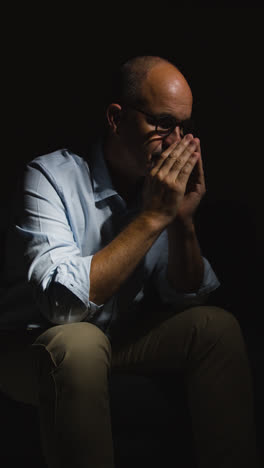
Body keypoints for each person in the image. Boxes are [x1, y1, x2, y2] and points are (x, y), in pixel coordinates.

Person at [0, 55, 260, 467]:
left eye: (183, 127)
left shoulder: (153, 189)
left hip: (115, 340)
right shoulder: (49, 177)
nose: (175, 141)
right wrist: (153, 217)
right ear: (116, 118)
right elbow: (61, 307)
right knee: (79, 342)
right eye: (161, 123)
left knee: (216, 327)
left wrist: (182, 223)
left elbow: (186, 298)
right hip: (31, 346)